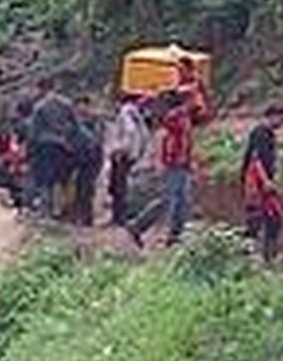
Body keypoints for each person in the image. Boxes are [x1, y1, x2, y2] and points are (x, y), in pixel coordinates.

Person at [127, 90, 196, 248]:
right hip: (175, 163)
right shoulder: (176, 117)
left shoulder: (181, 117)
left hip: (181, 163)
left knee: (182, 202)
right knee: (169, 200)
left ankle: (175, 236)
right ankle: (138, 227)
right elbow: (172, 140)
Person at [241, 104, 283, 263]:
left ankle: (267, 255)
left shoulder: (268, 134)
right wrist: (266, 181)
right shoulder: (260, 133)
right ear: (273, 116)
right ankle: (251, 253)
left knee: (273, 218)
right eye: (282, 119)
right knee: (259, 219)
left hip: (262, 181)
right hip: (256, 182)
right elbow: (255, 160)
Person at [27, 78, 80, 219]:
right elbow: (76, 127)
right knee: (64, 181)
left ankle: (46, 213)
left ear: (41, 88)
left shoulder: (39, 107)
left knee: (46, 182)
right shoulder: (67, 104)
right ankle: (67, 212)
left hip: (45, 148)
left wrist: (30, 150)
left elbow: (33, 132)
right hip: (64, 148)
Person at [104, 94, 148, 227]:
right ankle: (120, 217)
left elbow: (130, 132)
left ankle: (118, 218)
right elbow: (143, 135)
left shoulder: (125, 112)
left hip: (122, 156)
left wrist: (120, 150)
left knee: (118, 187)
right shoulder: (136, 114)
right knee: (121, 186)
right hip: (131, 155)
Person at [71, 96, 104, 228]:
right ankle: (80, 217)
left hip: (91, 159)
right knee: (79, 188)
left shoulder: (93, 121)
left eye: (83, 105)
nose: (81, 108)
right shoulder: (75, 121)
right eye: (78, 105)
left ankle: (86, 218)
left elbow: (98, 140)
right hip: (79, 158)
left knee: (87, 188)